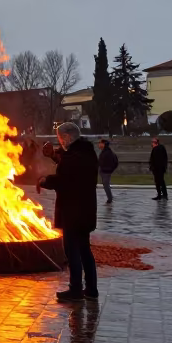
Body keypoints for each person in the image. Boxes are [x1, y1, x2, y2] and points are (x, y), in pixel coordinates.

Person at [37, 123, 98, 302]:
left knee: (72, 251)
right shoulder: (86, 153)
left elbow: (64, 179)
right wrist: (53, 156)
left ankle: (75, 289)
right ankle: (91, 289)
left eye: (61, 138)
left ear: (68, 137)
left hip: (73, 212)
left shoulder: (75, 158)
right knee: (85, 250)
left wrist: (44, 180)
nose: (59, 141)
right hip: (85, 211)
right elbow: (67, 161)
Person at [97, 139, 118, 204]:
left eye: (100, 143)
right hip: (104, 171)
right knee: (106, 185)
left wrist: (109, 169)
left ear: (104, 144)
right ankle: (110, 197)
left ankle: (110, 199)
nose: (99, 144)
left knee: (106, 185)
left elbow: (115, 162)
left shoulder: (108, 152)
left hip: (106, 172)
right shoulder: (104, 151)